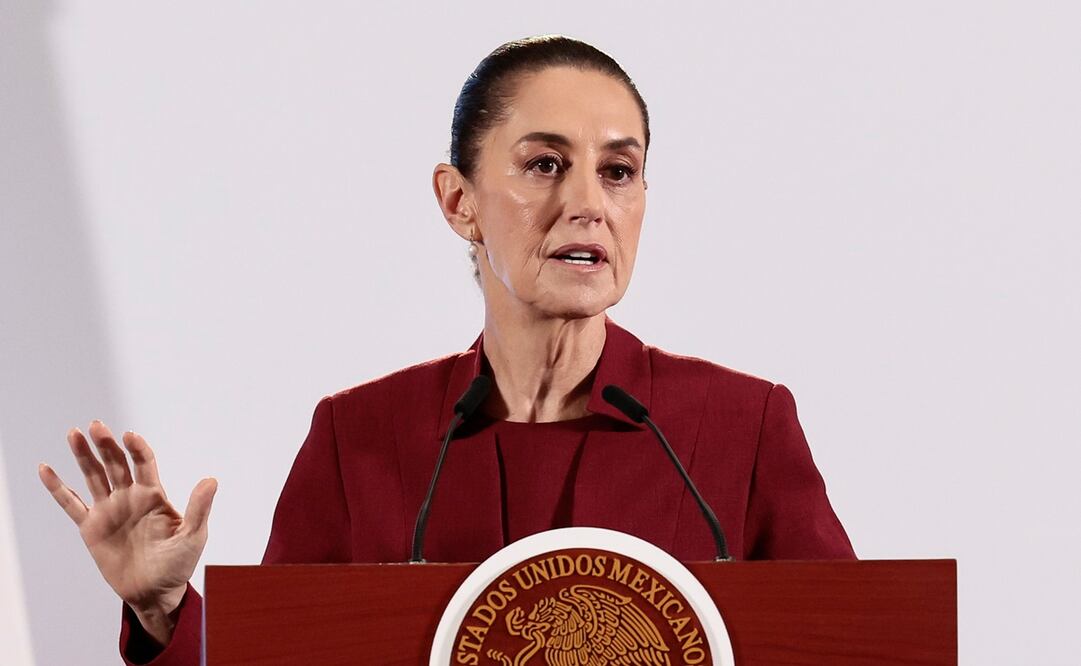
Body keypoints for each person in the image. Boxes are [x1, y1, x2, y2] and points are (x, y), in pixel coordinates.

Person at [38, 35, 855, 665]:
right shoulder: (357, 438)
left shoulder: (739, 426)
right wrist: (162, 609)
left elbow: (857, 647)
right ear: (458, 201)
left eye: (618, 171)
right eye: (544, 164)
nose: (587, 204)